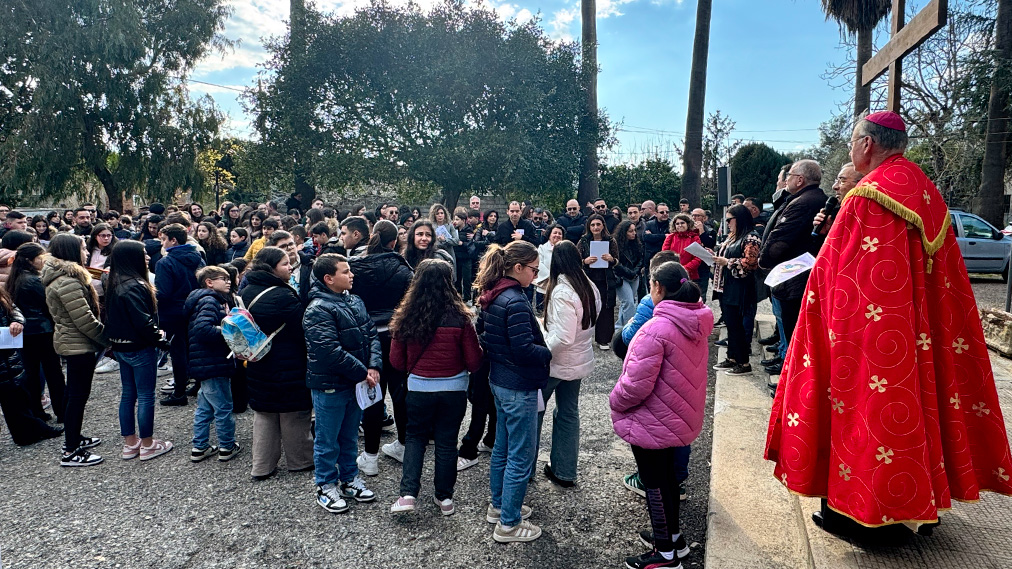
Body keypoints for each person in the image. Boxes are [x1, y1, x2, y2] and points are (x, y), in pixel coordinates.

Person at [766, 111, 1012, 537]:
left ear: (866, 145)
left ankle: (867, 515)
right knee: (918, 401)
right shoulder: (923, 189)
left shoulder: (868, 197)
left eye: (852, 141)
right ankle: (922, 503)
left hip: (873, 335)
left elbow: (846, 280)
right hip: (920, 329)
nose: (849, 149)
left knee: (871, 409)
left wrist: (821, 319)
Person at [611, 261, 712, 569]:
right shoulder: (695, 321)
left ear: (658, 288)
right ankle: (673, 538)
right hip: (677, 415)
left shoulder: (656, 328)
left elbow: (635, 384)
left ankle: (664, 553)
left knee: (654, 482)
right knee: (667, 478)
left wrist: (615, 400)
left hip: (652, 418)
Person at [388, 259, 483, 515]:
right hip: (454, 389)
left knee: (415, 438)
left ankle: (407, 494)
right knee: (446, 441)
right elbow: (474, 361)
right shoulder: (461, 317)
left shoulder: (406, 316)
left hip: (419, 387)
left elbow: (396, 361)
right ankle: (445, 498)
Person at [474, 241, 551, 543]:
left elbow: (485, 333)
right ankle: (509, 523)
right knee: (520, 455)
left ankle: (499, 505)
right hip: (519, 385)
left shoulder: (494, 294)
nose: (536, 274)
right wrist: (547, 352)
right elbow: (524, 349)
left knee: (503, 450)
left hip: (500, 380)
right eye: (533, 269)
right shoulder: (516, 300)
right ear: (517, 268)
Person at [300, 253, 380, 512]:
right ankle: (325, 485)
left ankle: (349, 478)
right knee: (327, 438)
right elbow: (328, 351)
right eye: (345, 271)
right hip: (330, 384)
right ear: (328, 278)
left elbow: (371, 333)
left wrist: (373, 365)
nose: (352, 275)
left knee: (349, 435)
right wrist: (362, 372)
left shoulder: (355, 300)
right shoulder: (317, 309)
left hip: (355, 382)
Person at [242, 246, 314, 481]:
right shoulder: (283, 295)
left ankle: (261, 465)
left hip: (258, 359)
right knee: (293, 413)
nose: (290, 266)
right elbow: (300, 329)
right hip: (287, 361)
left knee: (264, 413)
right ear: (272, 268)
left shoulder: (248, 290)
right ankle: (300, 460)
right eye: (285, 263)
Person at [347, 221, 414, 473]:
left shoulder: (355, 268)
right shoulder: (404, 270)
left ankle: (370, 456)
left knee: (372, 395)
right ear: (394, 242)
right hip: (397, 336)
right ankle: (403, 444)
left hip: (367, 337)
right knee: (400, 393)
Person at [538, 241, 600, 487]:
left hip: (556, 362)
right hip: (578, 360)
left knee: (535, 414)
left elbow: (563, 336)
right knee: (568, 413)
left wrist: (541, 350)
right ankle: (565, 470)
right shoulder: (588, 284)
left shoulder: (562, 291)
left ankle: (525, 470)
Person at [44, 233, 109, 466]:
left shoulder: (63, 277)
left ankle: (75, 437)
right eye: (82, 248)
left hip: (72, 341)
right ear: (71, 251)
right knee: (77, 397)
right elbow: (84, 320)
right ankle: (70, 450)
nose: (86, 252)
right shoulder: (68, 281)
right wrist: (106, 339)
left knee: (75, 395)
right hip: (77, 344)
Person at [105, 240, 174, 461]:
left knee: (128, 394)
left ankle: (130, 443)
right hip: (140, 347)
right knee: (145, 395)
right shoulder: (135, 285)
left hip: (120, 346)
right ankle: (147, 444)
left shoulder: (114, 282)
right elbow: (142, 321)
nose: (147, 256)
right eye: (143, 253)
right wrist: (161, 340)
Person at [758, 159, 825, 376]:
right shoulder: (802, 199)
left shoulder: (804, 202)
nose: (786, 181)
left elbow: (780, 239)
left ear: (800, 179)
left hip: (794, 276)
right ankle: (786, 362)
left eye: (789, 176)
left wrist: (764, 261)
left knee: (793, 330)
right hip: (790, 276)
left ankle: (790, 374)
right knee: (786, 327)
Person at [185, 265, 240, 464]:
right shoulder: (210, 300)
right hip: (213, 362)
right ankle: (227, 445)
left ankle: (200, 446)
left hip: (204, 363)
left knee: (205, 406)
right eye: (222, 278)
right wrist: (229, 331)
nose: (228, 281)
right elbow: (203, 329)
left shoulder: (200, 299)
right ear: (209, 282)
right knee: (223, 406)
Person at [0, 281, 63, 446]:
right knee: (13, 398)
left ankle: (28, 433)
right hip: (6, 358)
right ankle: (33, 430)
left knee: (17, 396)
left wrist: (17, 322)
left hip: (8, 356)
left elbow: (14, 309)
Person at [8, 243, 65, 421]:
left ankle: (37, 411)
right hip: (42, 330)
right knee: (53, 371)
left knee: (31, 373)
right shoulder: (32, 280)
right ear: (30, 260)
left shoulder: (15, 278)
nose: (44, 261)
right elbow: (47, 303)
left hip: (26, 332)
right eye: (41, 258)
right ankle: (62, 410)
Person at [156, 223, 205, 406]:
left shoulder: (166, 262)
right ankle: (197, 383)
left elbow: (164, 292)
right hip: (196, 306)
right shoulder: (198, 258)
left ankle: (179, 392)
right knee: (194, 348)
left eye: (164, 240)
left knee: (178, 351)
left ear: (173, 240)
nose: (163, 244)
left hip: (174, 312)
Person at [711, 205, 761, 376]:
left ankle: (744, 362)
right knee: (731, 325)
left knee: (737, 325)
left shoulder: (751, 237)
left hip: (740, 288)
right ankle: (732, 357)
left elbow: (751, 262)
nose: (727, 223)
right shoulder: (734, 236)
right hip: (727, 286)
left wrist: (727, 262)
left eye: (729, 220)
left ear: (739, 219)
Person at [577, 214, 618, 349]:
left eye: (598, 224)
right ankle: (585, 338)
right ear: (589, 226)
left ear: (603, 226)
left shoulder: (611, 240)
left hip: (606, 279)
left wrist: (611, 259)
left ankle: (604, 339)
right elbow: (577, 260)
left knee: (606, 308)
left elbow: (617, 260)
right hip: (589, 278)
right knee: (588, 308)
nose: (595, 227)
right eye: (593, 225)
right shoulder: (583, 241)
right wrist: (585, 261)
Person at [614, 220, 643, 328]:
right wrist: (630, 272)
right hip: (622, 277)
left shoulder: (637, 243)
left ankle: (619, 328)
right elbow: (616, 263)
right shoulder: (616, 245)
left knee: (628, 303)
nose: (634, 233)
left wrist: (635, 272)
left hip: (634, 276)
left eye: (634, 230)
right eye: (630, 231)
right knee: (628, 302)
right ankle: (630, 329)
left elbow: (640, 259)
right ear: (624, 232)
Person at [661, 214, 703, 290]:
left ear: (688, 224)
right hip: (673, 274)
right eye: (677, 224)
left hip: (690, 275)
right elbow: (665, 255)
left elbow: (698, 258)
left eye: (682, 223)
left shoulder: (695, 238)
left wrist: (684, 269)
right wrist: (675, 269)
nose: (680, 225)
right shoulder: (670, 237)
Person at [533, 225, 565, 312]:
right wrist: (551, 276)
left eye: (560, 234)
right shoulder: (542, 248)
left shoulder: (565, 250)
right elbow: (539, 264)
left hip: (560, 286)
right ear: (549, 235)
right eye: (555, 233)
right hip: (544, 287)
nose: (557, 235)